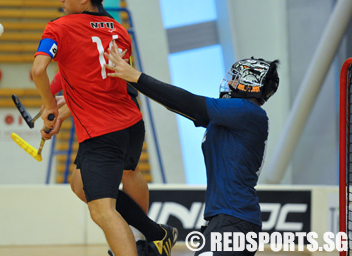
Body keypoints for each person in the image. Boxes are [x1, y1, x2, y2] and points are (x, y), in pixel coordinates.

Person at [31, 0, 177, 255]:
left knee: (102, 210)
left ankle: (136, 245)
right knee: (81, 183)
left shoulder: (58, 27)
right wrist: (61, 111)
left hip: (101, 133)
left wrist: (49, 105)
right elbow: (96, 82)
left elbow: (38, 70)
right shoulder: (120, 31)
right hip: (131, 123)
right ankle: (155, 233)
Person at [105, 40, 280, 256]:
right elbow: (180, 106)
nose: (230, 82)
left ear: (249, 83)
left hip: (235, 223)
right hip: (225, 222)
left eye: (236, 78)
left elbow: (188, 102)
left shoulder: (247, 112)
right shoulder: (231, 118)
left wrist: (136, 77)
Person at [47, 0, 149, 217]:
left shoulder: (99, 25)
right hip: (103, 111)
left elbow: (98, 85)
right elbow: (76, 72)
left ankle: (145, 237)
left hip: (116, 110)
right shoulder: (81, 23)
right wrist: (53, 98)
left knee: (127, 173)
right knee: (79, 184)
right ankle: (148, 232)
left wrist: (55, 103)